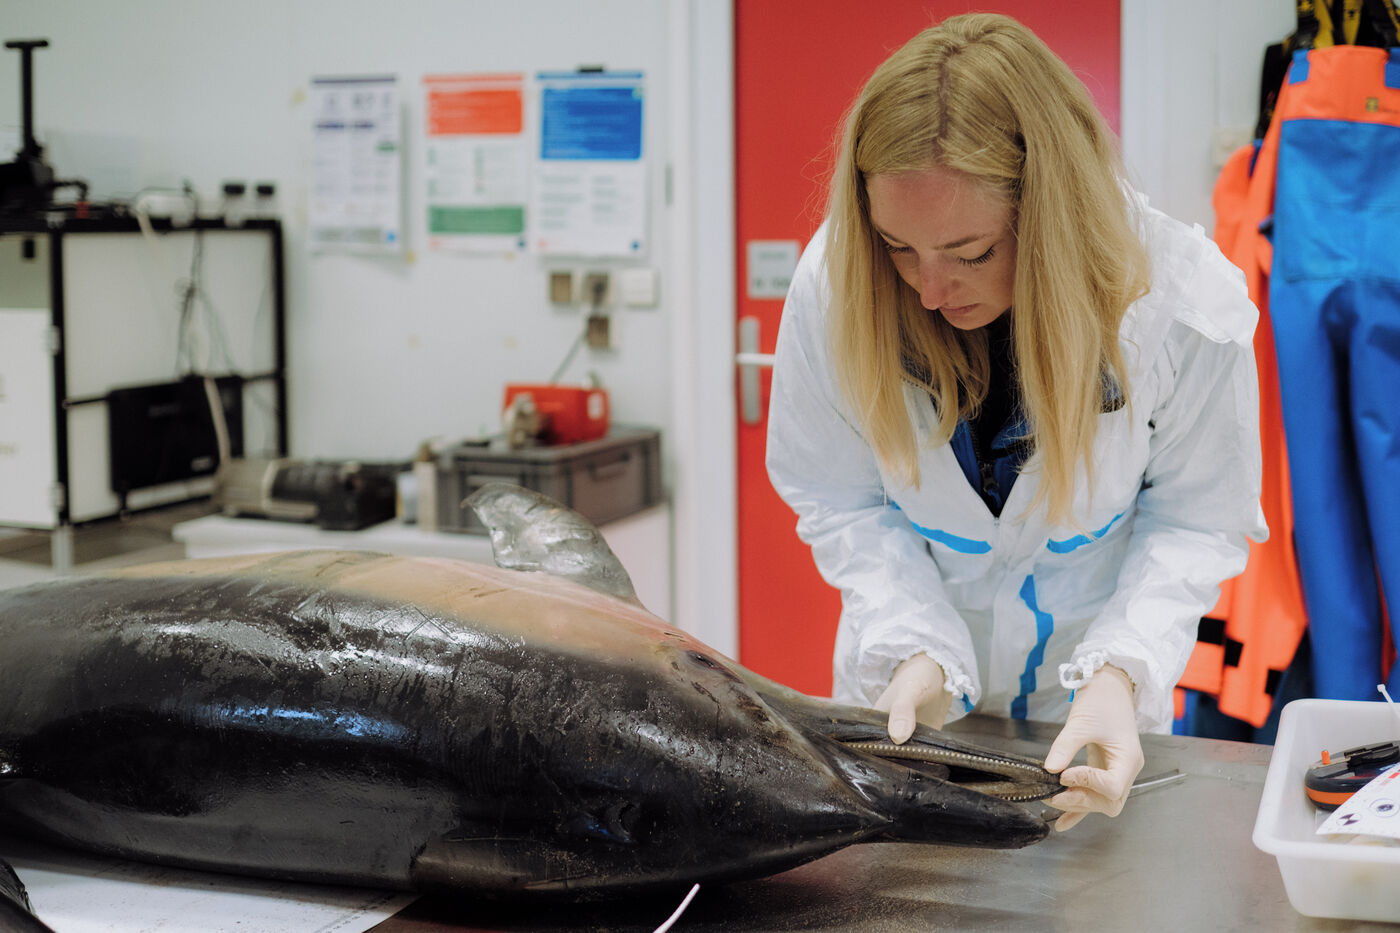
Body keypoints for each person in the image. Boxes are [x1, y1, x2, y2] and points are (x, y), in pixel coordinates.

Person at [766, 13, 1267, 832]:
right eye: (900, 247)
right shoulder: (838, 284)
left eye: (971, 252)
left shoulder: (1178, 305)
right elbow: (839, 497)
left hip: (1090, 714)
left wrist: (1120, 674)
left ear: (1049, 215)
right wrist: (914, 647)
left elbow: (1195, 519)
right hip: (908, 703)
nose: (931, 291)